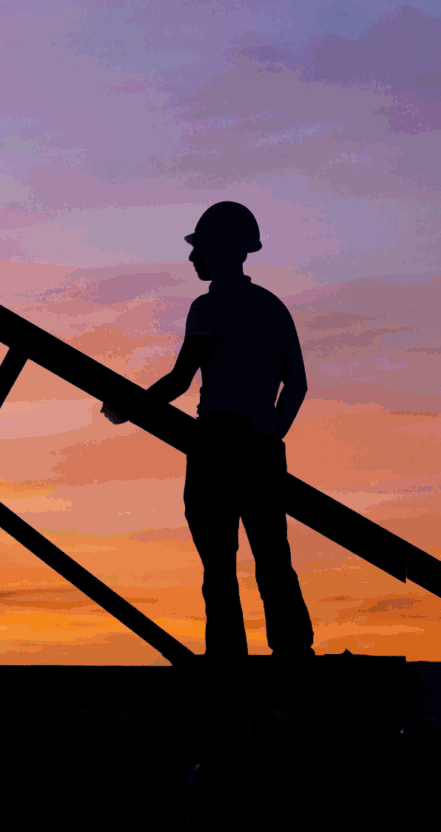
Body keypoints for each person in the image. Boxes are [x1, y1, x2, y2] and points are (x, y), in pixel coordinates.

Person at [103, 200, 314, 659]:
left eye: (198, 248)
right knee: (273, 556)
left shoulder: (208, 306)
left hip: (216, 443)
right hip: (260, 447)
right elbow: (296, 382)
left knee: (218, 563)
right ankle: (294, 652)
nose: (192, 257)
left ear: (220, 251)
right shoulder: (273, 308)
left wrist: (129, 409)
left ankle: (226, 658)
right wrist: (275, 429)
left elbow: (181, 379)